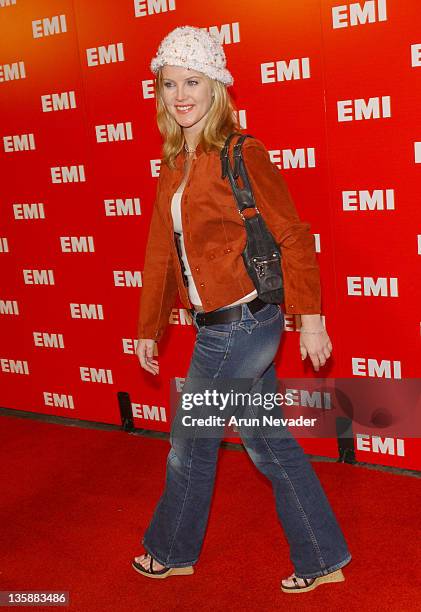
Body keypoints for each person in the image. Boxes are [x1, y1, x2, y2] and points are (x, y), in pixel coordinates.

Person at [133, 25, 352, 593]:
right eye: (170, 84)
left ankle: (170, 549)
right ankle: (323, 557)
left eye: (193, 82)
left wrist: (311, 319)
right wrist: (149, 328)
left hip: (242, 325)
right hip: (222, 327)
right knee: (266, 442)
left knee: (190, 444)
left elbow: (295, 237)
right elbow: (163, 252)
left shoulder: (241, 152)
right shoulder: (172, 163)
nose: (180, 95)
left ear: (216, 89)